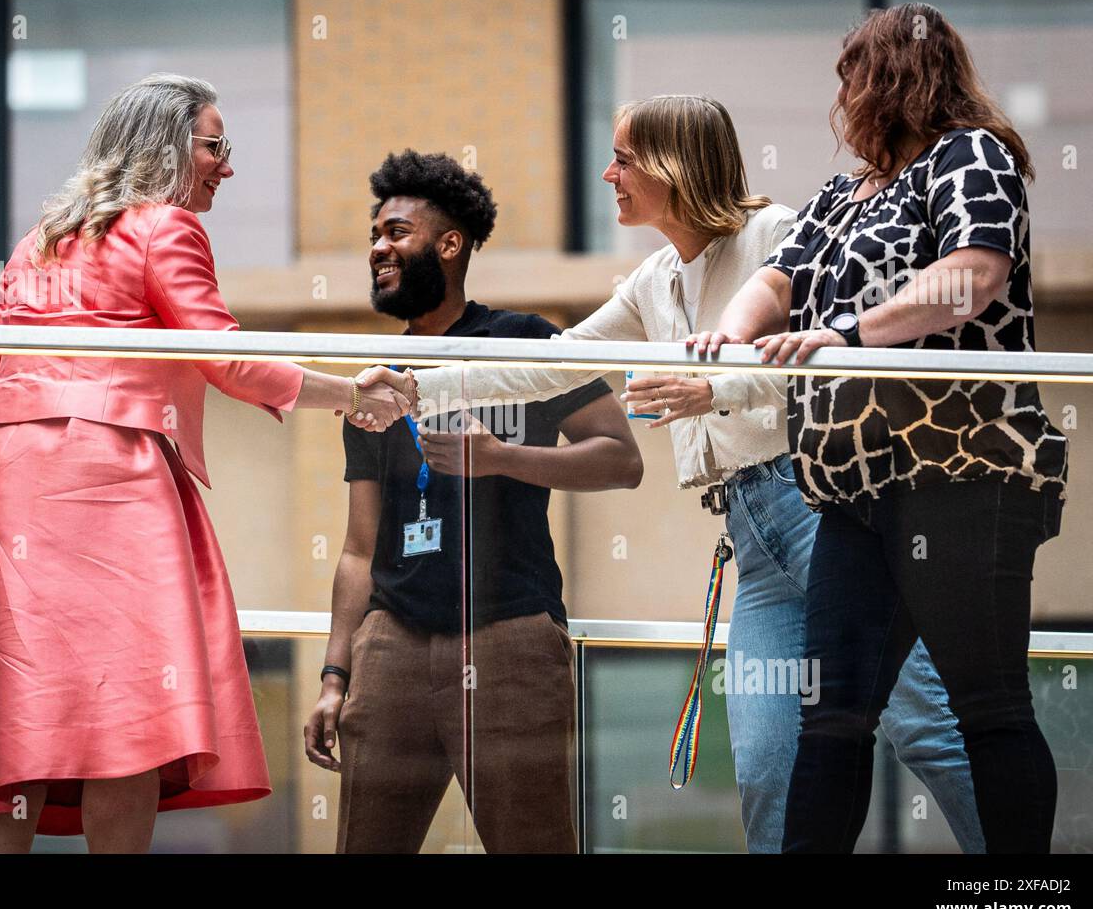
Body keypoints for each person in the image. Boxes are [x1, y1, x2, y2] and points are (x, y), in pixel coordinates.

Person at [365, 95, 983, 852]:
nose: (609, 173)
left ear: (674, 163)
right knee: (764, 763)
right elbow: (549, 367)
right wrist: (409, 387)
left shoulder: (778, 235)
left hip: (821, 506)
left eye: (623, 158)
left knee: (923, 724)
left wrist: (713, 389)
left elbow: (826, 367)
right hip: (750, 537)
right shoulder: (655, 280)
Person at [0, 74, 409, 853]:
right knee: (126, 704)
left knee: (7, 699)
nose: (227, 166)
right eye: (215, 147)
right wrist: (347, 394)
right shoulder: (166, 228)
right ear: (167, 146)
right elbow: (222, 354)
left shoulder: (42, 239)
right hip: (101, 474)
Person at [696, 4, 1068, 853]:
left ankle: (1023, 902)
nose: (842, 93)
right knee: (831, 717)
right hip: (855, 489)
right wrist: (732, 330)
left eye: (852, 71)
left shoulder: (971, 154)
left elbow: (971, 276)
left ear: (895, 73)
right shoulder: (841, 192)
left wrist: (850, 332)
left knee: (989, 707)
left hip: (963, 470)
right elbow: (780, 281)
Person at [303, 150, 643, 853]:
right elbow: (359, 547)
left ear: (449, 244)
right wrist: (336, 676)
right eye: (375, 235)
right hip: (391, 644)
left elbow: (622, 459)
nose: (378, 248)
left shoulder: (526, 342)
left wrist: (500, 460)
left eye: (396, 232)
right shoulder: (379, 384)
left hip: (511, 637)